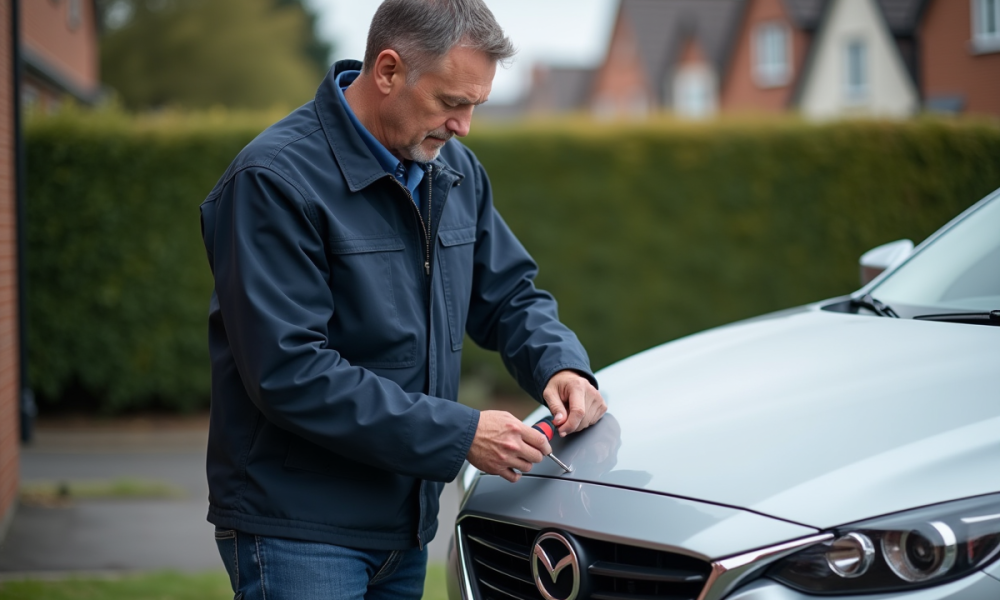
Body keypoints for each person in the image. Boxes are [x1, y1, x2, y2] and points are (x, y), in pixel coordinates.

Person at [199, 0, 606, 598]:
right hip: (298, 531)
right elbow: (290, 371)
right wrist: (459, 435)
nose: (464, 125)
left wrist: (561, 364)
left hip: (405, 528)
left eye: (475, 104)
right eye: (451, 102)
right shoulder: (273, 181)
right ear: (388, 70)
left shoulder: (455, 171)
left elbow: (510, 295)